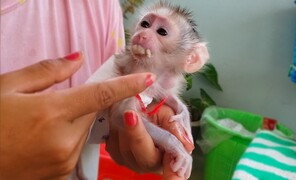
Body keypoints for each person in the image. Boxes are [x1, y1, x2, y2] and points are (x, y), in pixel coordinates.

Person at [0, 0, 193, 179]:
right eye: (144, 24)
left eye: (162, 32)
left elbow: (118, 113)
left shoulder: (101, 5)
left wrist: (168, 130)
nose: (144, 34)